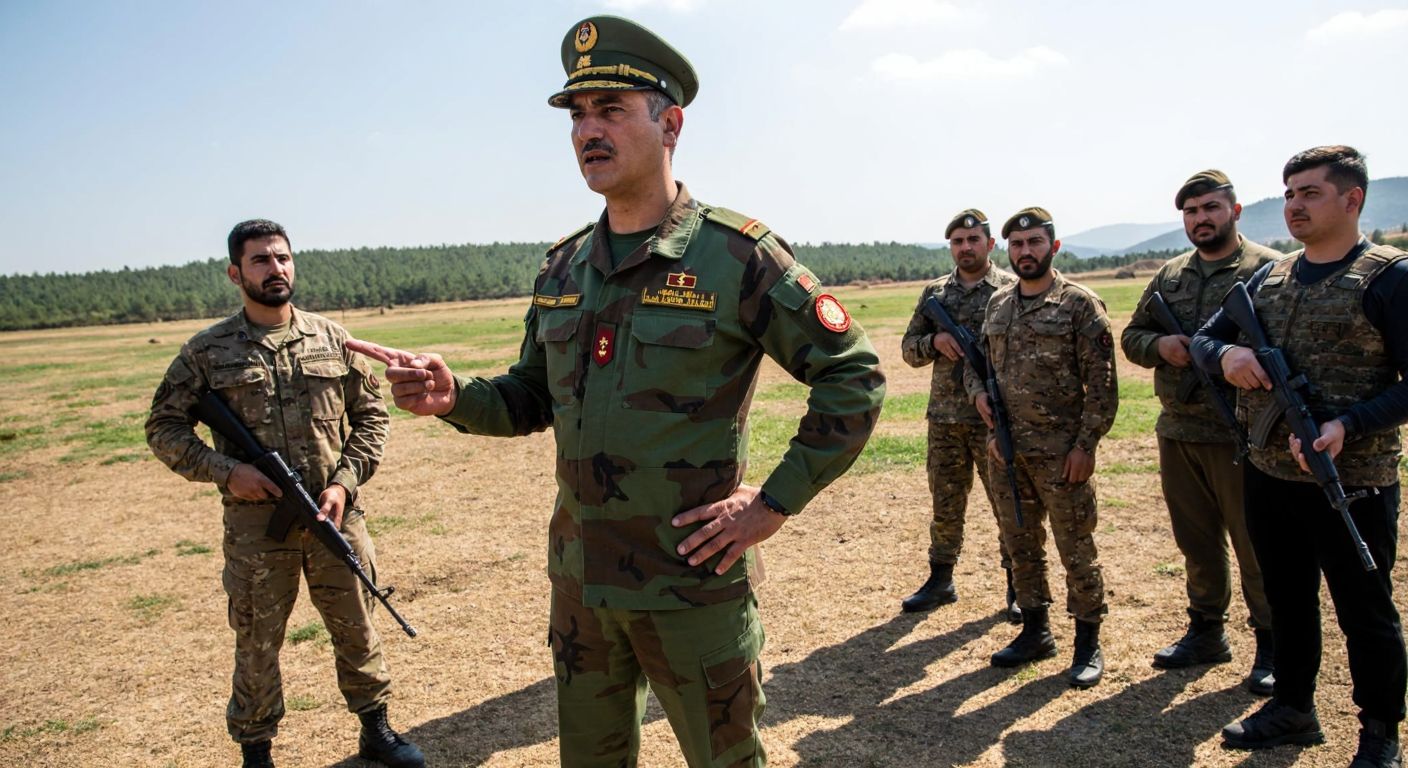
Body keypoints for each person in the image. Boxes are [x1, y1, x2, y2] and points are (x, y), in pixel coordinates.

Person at [346, 15, 885, 768]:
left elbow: (852, 376)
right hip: (582, 586)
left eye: (610, 109)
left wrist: (770, 504)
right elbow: (531, 396)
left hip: (692, 584)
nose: (587, 131)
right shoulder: (564, 266)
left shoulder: (735, 256)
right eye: (576, 114)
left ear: (670, 125)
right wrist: (454, 397)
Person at [145, 220, 423, 768]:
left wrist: (344, 482)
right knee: (257, 639)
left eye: (283, 258)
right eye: (261, 260)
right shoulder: (207, 351)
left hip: (334, 516)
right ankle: (256, 750)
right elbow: (164, 427)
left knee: (357, 624)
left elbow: (371, 417)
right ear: (236, 274)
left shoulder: (331, 338)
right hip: (256, 528)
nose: (275, 269)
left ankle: (376, 728)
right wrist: (228, 472)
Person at [1193, 146, 1407, 767]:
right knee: (1286, 598)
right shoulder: (1269, 278)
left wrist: (1347, 424)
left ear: (1352, 199)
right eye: (1289, 194)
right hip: (1271, 473)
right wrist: (1227, 356)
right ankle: (1292, 708)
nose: (1294, 206)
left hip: (1352, 479)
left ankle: (1380, 734)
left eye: (1310, 193)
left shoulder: (1390, 279)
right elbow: (1206, 339)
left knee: (1366, 612)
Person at [1120, 170, 1281, 693]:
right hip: (1180, 432)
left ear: (1235, 211)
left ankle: (1273, 643)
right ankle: (1207, 630)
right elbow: (1133, 335)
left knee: (1256, 546)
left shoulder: (1268, 269)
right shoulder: (1171, 275)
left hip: (1247, 436)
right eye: (1191, 212)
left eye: (1211, 208)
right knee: (1196, 543)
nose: (1200, 219)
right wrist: (1160, 347)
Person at [970, 207, 1118, 688]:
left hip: (1062, 455)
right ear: (1008, 250)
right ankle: (1035, 630)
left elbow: (1103, 386)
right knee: (1021, 545)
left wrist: (1085, 446)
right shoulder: (998, 305)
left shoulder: (1079, 305)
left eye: (1034, 242)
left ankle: (1087, 641)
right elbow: (978, 365)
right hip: (1007, 452)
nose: (1025, 251)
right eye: (1017, 244)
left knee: (1076, 548)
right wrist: (978, 396)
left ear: (1053, 247)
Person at [898, 209, 1019, 620]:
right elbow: (909, 348)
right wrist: (935, 341)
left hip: (994, 418)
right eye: (957, 241)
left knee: (1008, 503)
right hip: (946, 419)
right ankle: (940, 579)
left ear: (990, 244)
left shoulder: (1010, 289)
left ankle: (1019, 584)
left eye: (973, 240)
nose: (965, 248)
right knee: (945, 504)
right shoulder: (936, 294)